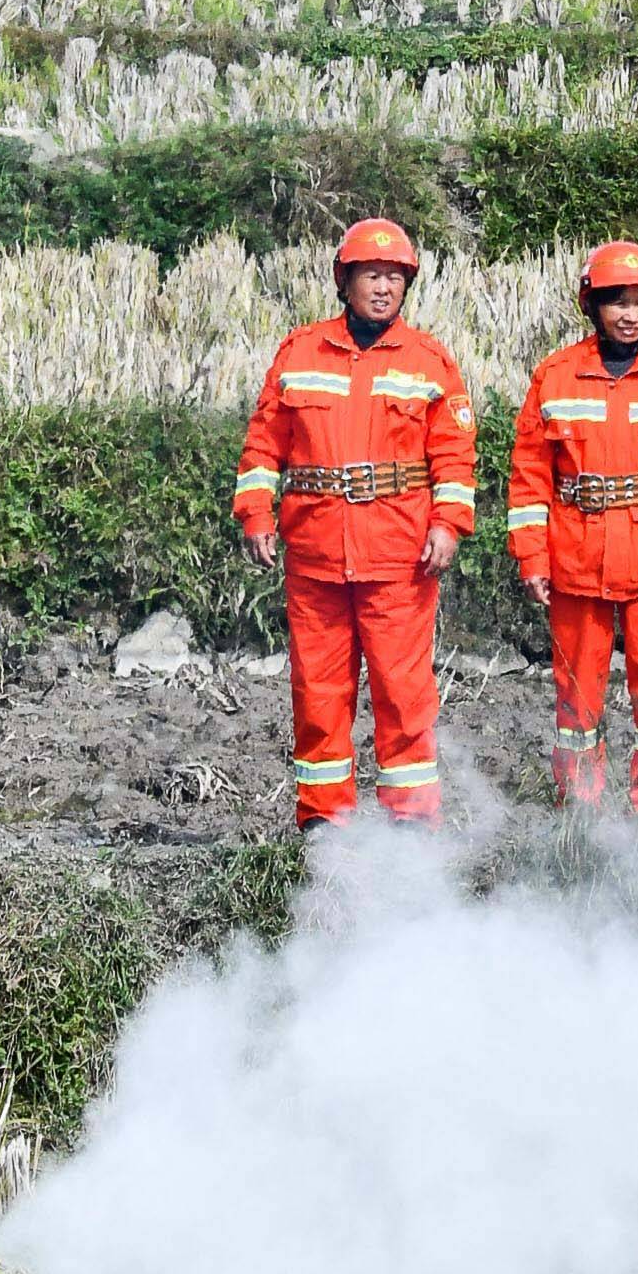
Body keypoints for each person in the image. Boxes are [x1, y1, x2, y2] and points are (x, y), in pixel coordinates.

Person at [231, 216, 474, 829]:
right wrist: (255, 511)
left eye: (395, 276)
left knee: (403, 693)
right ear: (345, 282)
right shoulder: (300, 352)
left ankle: (412, 825)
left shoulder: (429, 361)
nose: (383, 287)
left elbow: (454, 455)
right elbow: (264, 445)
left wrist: (448, 524)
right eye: (372, 274)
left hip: (399, 558)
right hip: (315, 558)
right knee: (318, 693)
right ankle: (322, 824)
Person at [507, 238, 638, 816]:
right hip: (576, 560)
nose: (629, 314)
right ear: (591, 305)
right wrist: (532, 557)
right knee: (577, 689)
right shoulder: (554, 378)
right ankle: (580, 804)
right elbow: (529, 478)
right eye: (616, 301)